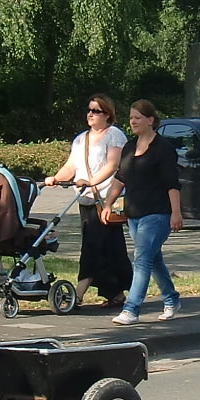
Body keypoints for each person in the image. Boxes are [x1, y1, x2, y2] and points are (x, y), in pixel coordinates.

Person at [47, 94, 130, 308]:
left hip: (106, 200)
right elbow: (71, 167)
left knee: (93, 247)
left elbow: (112, 165)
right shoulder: (81, 139)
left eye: (96, 111)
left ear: (107, 114)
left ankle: (78, 293)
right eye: (89, 110)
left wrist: (91, 182)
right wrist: (55, 178)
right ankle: (116, 293)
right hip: (85, 200)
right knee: (108, 247)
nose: (90, 114)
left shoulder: (114, 135)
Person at [112, 100, 181, 326]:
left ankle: (131, 309)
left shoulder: (163, 148)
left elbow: (172, 183)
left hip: (158, 213)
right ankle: (171, 299)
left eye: (138, 118)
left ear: (150, 120)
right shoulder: (129, 147)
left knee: (141, 260)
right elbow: (120, 178)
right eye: (131, 118)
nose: (133, 122)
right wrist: (107, 203)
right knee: (153, 259)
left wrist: (176, 212)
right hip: (134, 213)